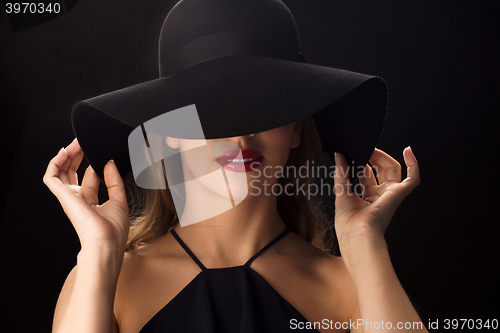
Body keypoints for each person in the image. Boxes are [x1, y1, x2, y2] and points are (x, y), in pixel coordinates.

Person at [44, 0, 428, 332]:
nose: (241, 136)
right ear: (172, 133)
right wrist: (99, 251)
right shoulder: (107, 280)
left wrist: (365, 245)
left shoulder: (350, 288)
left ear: (296, 129)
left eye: (265, 106)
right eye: (211, 111)